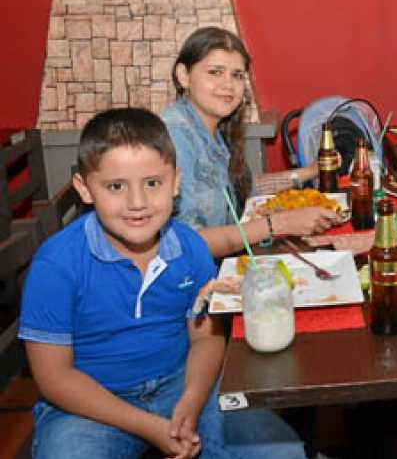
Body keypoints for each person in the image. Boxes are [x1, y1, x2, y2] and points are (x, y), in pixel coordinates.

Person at [18, 108, 306, 459]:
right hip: (89, 405)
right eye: (115, 186)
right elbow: (54, 377)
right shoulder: (56, 264)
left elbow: (205, 336)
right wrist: (147, 425)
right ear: (85, 188)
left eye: (152, 183)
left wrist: (192, 399)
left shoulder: (190, 248)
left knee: (283, 451)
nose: (137, 203)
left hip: (180, 383)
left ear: (175, 182)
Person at [162, 27, 340, 258]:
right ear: (184, 75)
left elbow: (243, 187)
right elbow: (186, 244)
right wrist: (276, 224)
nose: (228, 85)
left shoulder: (211, 129)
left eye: (237, 75)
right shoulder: (176, 136)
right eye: (215, 72)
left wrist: (308, 172)